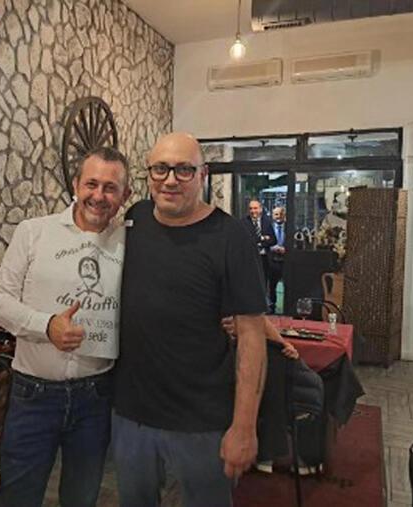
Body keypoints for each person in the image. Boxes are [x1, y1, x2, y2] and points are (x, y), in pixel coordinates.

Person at [113, 132, 268, 507]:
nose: (170, 180)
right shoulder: (135, 219)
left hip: (202, 420)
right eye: (161, 169)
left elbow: (252, 335)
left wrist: (244, 426)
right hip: (131, 415)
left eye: (184, 170)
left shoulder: (231, 236)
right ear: (149, 173)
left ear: (203, 174)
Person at [0, 147, 131, 507]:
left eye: (110, 188)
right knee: (18, 497)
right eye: (91, 184)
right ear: (76, 185)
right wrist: (46, 325)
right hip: (33, 395)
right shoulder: (33, 233)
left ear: (125, 195)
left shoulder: (131, 243)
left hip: (96, 396)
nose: (99, 195)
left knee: (82, 497)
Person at [242, 200, 277, 298]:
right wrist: (263, 238)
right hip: (250, 259)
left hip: (264, 258)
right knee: (250, 283)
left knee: (263, 283)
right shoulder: (243, 222)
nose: (253, 211)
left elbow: (273, 240)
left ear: (260, 209)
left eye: (255, 208)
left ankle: (264, 303)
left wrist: (260, 242)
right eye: (251, 208)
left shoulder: (267, 222)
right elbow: (245, 240)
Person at [268, 206, 286, 314]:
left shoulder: (289, 228)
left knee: (287, 285)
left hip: (286, 262)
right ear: (272, 216)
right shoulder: (268, 228)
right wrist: (272, 248)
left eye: (281, 214)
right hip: (272, 261)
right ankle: (272, 306)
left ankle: (287, 307)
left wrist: (286, 249)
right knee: (271, 286)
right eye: (276, 214)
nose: (278, 216)